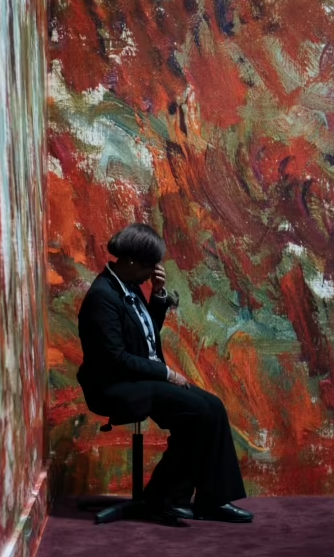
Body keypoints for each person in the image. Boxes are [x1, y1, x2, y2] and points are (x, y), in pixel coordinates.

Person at [76, 222, 252, 523]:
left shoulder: (129, 286)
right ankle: (163, 497)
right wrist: (166, 373)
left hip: (140, 378)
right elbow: (116, 358)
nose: (153, 272)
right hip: (115, 385)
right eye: (150, 266)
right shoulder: (102, 297)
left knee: (213, 407)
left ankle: (212, 500)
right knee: (197, 413)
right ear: (131, 261)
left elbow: (143, 338)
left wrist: (157, 296)